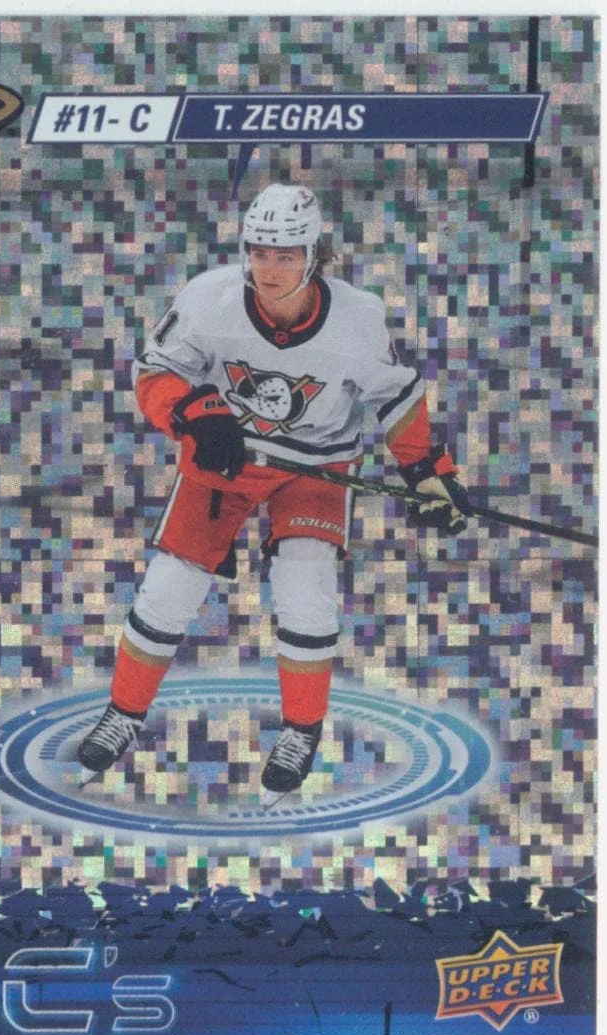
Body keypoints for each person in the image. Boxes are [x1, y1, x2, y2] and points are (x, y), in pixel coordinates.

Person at [76, 183, 470, 800]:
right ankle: (123, 714)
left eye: (286, 255)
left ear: (314, 256)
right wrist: (194, 412)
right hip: (226, 461)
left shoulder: (359, 318)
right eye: (259, 252)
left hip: (316, 466)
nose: (269, 268)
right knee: (169, 589)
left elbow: (395, 396)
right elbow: (155, 372)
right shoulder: (208, 299)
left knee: (305, 591)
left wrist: (427, 472)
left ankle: (300, 731)